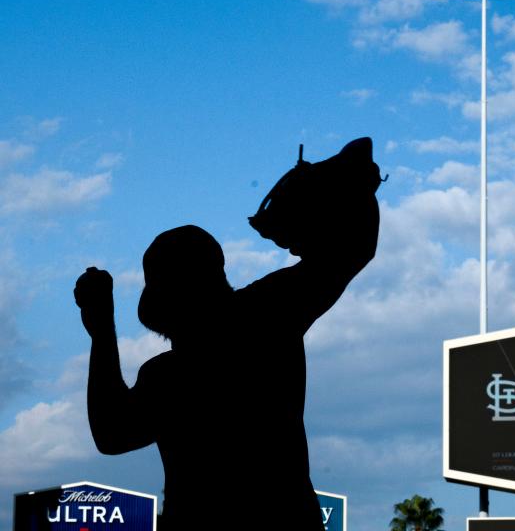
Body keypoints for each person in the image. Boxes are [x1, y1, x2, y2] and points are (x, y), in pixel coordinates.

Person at [74, 141, 379, 530]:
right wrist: (350, 183)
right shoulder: (265, 316)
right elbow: (353, 250)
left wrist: (101, 330)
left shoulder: (167, 377)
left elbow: (111, 434)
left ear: (156, 305)